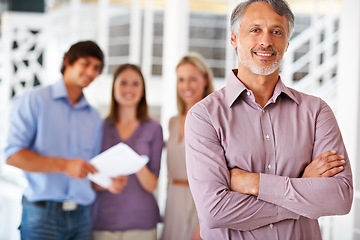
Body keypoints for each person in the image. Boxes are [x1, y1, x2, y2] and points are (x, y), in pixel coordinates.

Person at [184, 1, 353, 239]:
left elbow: (340, 198)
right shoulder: (204, 116)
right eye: (255, 30)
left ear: (286, 43)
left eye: (277, 32)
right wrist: (301, 188)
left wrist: (254, 183)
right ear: (234, 38)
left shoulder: (317, 112)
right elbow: (214, 212)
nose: (266, 41)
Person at [4, 40, 123, 239]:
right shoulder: (35, 100)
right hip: (42, 215)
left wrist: (107, 182)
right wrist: (64, 165)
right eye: (86, 64)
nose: (91, 72)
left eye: (97, 68)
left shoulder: (93, 116)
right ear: (68, 61)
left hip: (81, 215)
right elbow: (13, 156)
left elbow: (87, 169)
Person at [91, 63, 164, 240]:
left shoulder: (154, 128)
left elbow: (152, 184)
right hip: (104, 221)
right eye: (123, 83)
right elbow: (91, 180)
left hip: (141, 222)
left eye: (135, 83)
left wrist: (132, 162)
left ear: (143, 90)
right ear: (114, 87)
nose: (129, 88)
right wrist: (108, 183)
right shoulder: (99, 127)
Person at [161, 53, 214, 240]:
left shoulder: (214, 121)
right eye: (181, 80)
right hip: (173, 201)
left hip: (200, 203)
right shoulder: (172, 122)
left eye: (192, 79)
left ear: (205, 80)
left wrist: (203, 224)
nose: (186, 86)